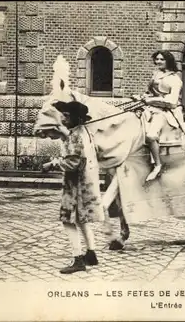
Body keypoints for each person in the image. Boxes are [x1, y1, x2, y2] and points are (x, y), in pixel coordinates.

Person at [40, 101, 104, 274]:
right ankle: (91, 253)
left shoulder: (74, 136)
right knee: (81, 219)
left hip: (76, 186)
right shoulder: (85, 132)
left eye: (62, 115)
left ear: (68, 117)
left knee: (68, 220)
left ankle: (78, 260)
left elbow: (73, 162)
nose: (60, 118)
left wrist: (52, 164)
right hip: (87, 182)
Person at [133, 50, 184, 182]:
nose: (158, 62)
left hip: (166, 112)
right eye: (157, 59)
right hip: (151, 109)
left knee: (151, 135)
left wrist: (150, 101)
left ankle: (157, 165)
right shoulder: (156, 75)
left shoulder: (175, 79)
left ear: (168, 61)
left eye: (162, 59)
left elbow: (172, 102)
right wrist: (143, 97)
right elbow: (150, 93)